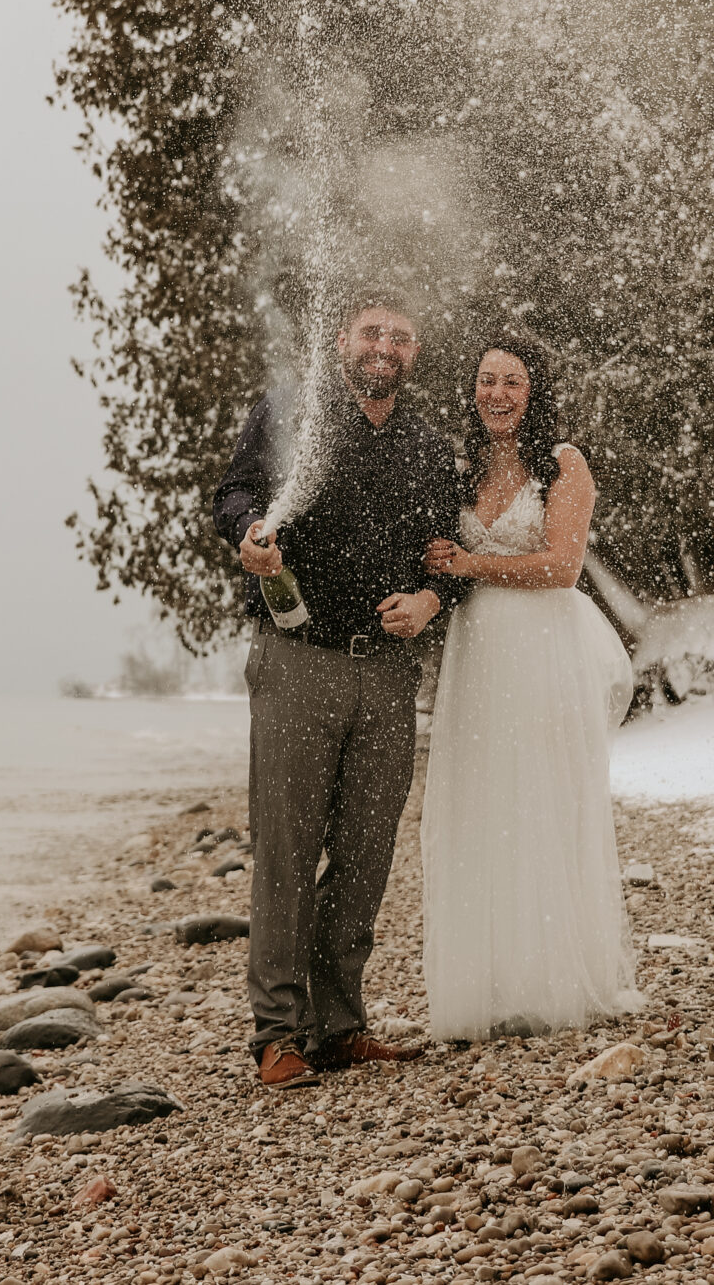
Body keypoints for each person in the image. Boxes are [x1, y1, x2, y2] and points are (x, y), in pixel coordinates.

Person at [213, 291, 467, 1089]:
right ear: (343, 340)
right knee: (287, 850)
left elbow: (446, 551)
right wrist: (250, 535)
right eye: (371, 332)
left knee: (364, 853)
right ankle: (279, 1033)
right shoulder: (292, 412)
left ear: (414, 353)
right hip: (300, 658)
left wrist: (431, 598)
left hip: (388, 674)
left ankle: (339, 1023)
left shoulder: (428, 447)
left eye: (399, 334)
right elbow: (232, 494)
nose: (383, 345)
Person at [418, 334, 641, 1042]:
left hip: (543, 649)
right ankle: (491, 980)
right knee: (482, 798)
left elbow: (562, 565)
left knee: (540, 799)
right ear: (473, 388)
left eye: (513, 381)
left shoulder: (563, 463)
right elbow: (440, 556)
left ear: (534, 390)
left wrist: (469, 562)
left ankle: (549, 977)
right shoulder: (461, 467)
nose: (498, 393)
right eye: (487, 379)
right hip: (478, 650)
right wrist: (433, 569)